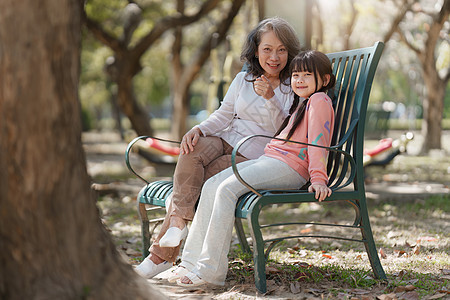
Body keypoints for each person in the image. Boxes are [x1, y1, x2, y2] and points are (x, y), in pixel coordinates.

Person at [135, 17, 301, 278]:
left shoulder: (293, 85)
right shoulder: (243, 79)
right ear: (256, 50)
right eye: (267, 49)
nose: (274, 57)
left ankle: (160, 258)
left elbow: (283, 130)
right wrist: (198, 129)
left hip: (252, 153)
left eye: (281, 50)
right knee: (192, 148)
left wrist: (270, 98)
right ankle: (178, 222)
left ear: (290, 52)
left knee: (203, 181)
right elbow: (224, 115)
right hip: (226, 138)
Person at [171, 49, 336, 287]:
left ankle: (209, 272)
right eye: (296, 75)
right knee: (212, 184)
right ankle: (189, 262)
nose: (299, 80)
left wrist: (318, 178)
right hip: (272, 160)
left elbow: (319, 141)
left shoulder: (319, 100)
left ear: (325, 80)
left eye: (307, 75)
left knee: (226, 189)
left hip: (290, 167)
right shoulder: (304, 102)